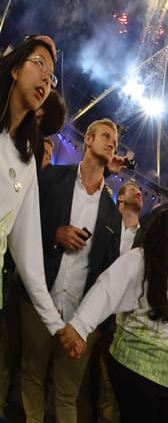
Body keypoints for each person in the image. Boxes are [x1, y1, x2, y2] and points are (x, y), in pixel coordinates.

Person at [59, 207, 168, 422]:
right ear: (163, 232)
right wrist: (80, 326)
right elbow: (107, 289)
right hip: (136, 370)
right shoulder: (141, 259)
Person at [22, 118, 124, 423]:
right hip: (39, 302)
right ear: (88, 140)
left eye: (115, 141)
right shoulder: (51, 178)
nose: (112, 143)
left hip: (80, 317)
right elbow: (23, 228)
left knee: (67, 395)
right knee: (31, 377)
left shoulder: (112, 213)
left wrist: (92, 325)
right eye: (106, 136)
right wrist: (54, 234)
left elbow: (107, 272)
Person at [0, 35, 65, 421]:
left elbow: (27, 256)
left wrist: (57, 325)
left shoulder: (26, 163)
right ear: (14, 67)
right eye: (39, 63)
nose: (46, 78)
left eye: (52, 75)